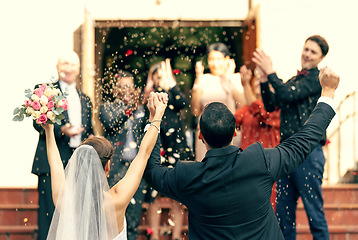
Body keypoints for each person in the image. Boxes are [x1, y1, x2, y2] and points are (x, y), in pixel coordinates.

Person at [144, 66, 339, 239]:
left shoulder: (187, 175)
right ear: (234, 132)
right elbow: (305, 140)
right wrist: (328, 93)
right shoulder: (261, 161)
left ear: (200, 136)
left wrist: (155, 120)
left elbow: (152, 171)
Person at [43, 92, 168, 240]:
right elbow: (144, 154)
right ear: (107, 167)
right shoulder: (118, 198)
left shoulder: (65, 200)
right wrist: (156, 116)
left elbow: (56, 165)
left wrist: (49, 131)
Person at [252, 35, 330, 239]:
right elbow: (271, 104)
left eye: (313, 52)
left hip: (309, 154)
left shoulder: (316, 79)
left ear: (321, 58)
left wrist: (271, 72)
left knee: (314, 213)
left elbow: (286, 94)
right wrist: (263, 79)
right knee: (283, 215)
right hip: (286, 152)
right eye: (306, 49)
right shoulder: (295, 80)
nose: (307, 54)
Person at [31, 51, 94, 240]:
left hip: (77, 164)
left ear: (78, 69)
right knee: (49, 217)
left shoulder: (86, 99)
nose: (68, 68)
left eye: (73, 64)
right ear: (58, 67)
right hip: (51, 162)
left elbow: (89, 130)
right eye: (65, 63)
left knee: (74, 216)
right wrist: (61, 129)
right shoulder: (45, 92)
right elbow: (37, 123)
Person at [144, 59, 194, 240]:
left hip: (177, 149)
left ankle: (175, 236)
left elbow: (183, 103)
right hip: (158, 148)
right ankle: (155, 236)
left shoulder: (172, 94)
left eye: (162, 76)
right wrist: (149, 87)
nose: (160, 80)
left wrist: (171, 83)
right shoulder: (150, 97)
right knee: (154, 197)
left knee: (177, 197)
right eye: (156, 77)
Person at [99, 70, 153, 240]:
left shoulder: (142, 110)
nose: (127, 90)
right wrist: (130, 108)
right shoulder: (106, 107)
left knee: (133, 219)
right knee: (112, 219)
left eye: (130, 86)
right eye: (123, 86)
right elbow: (111, 123)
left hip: (136, 170)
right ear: (115, 89)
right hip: (115, 168)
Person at [234, 65, 280, 210]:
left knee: (268, 208)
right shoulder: (246, 109)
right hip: (247, 166)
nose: (259, 88)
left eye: (263, 85)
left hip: (268, 166)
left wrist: (245, 84)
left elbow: (261, 111)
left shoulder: (276, 108)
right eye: (256, 85)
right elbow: (230, 122)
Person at [191, 42, 245, 161]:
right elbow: (195, 110)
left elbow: (243, 104)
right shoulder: (204, 79)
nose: (215, 63)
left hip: (229, 132)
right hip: (206, 134)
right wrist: (198, 78)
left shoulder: (235, 78)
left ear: (227, 60)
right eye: (211, 59)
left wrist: (227, 79)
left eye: (219, 59)